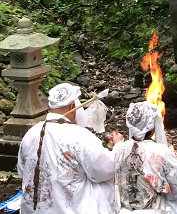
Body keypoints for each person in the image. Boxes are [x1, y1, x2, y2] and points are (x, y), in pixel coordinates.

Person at [17, 83, 123, 213]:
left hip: (34, 209)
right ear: (73, 106)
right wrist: (119, 146)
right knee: (108, 185)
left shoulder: (30, 133)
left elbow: (22, 171)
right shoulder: (79, 135)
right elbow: (105, 169)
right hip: (68, 208)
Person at [114, 101, 177, 214]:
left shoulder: (118, 149)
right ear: (152, 127)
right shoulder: (161, 152)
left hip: (126, 210)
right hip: (157, 211)